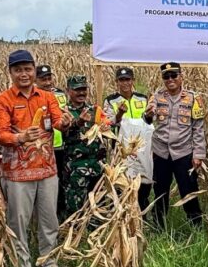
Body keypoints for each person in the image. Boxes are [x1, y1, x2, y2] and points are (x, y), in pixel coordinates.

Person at [0, 50, 65, 267]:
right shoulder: (2, 101)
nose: (24, 74)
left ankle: (47, 262)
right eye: (18, 70)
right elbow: (1, 135)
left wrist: (66, 122)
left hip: (47, 169)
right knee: (18, 222)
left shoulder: (47, 97)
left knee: (49, 219)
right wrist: (20, 137)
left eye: (28, 69)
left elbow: (58, 121)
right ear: (10, 73)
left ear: (34, 70)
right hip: (17, 173)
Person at [143, 62, 206, 229]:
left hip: (184, 153)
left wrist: (199, 154)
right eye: (166, 76)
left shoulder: (193, 98)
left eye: (173, 75)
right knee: (160, 191)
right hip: (161, 152)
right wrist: (147, 115)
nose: (170, 79)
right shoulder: (157, 97)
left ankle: (196, 226)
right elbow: (148, 119)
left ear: (181, 77)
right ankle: (159, 226)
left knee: (189, 190)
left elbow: (198, 128)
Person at [103, 66, 151, 211]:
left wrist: (150, 116)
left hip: (141, 148)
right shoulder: (111, 100)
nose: (125, 83)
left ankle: (142, 213)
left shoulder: (142, 98)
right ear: (116, 82)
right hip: (121, 150)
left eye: (127, 79)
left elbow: (148, 122)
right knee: (122, 182)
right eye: (121, 80)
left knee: (143, 182)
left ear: (133, 80)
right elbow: (107, 123)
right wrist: (119, 114)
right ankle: (122, 214)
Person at [61, 76, 106, 215]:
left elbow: (108, 127)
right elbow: (64, 133)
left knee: (98, 206)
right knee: (76, 208)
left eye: (83, 89)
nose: (81, 93)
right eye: (77, 90)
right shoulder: (63, 112)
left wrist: (107, 126)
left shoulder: (95, 110)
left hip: (97, 166)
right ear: (68, 91)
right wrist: (78, 123)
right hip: (76, 168)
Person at [36, 64, 70, 216]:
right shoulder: (33, 96)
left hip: (60, 145)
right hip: (42, 148)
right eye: (43, 79)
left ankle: (61, 214)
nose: (48, 82)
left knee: (62, 181)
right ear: (36, 80)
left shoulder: (60, 94)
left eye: (49, 78)